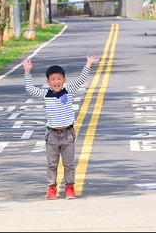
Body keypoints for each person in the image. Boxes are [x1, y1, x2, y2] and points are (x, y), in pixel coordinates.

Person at [22, 55, 100, 199]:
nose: (56, 82)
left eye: (59, 79)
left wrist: (88, 64)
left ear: (64, 80)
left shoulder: (68, 90)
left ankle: (69, 187)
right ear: (48, 82)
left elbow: (81, 80)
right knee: (52, 164)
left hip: (68, 134)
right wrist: (27, 72)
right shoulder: (46, 94)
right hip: (52, 135)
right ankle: (52, 187)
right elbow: (30, 89)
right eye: (53, 79)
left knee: (68, 164)